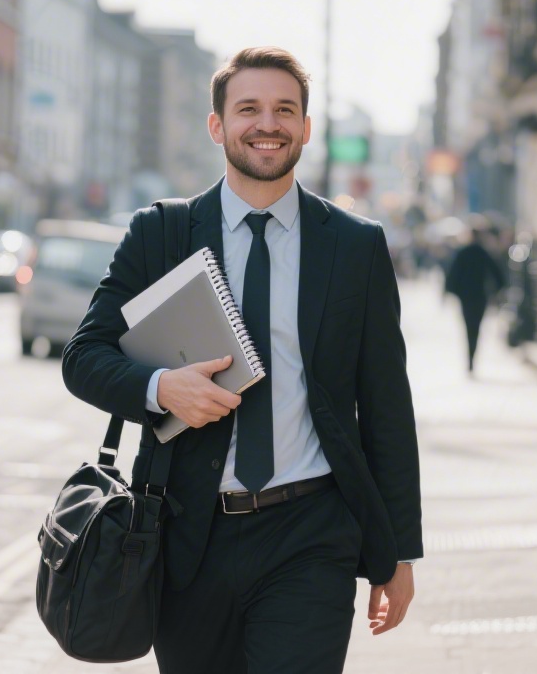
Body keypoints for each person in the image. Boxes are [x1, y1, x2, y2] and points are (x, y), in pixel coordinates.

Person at [62, 47, 421, 674]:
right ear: (217, 125)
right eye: (248, 108)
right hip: (187, 537)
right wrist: (160, 388)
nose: (268, 124)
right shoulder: (162, 233)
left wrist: (400, 553)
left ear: (307, 128)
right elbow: (83, 357)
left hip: (312, 534)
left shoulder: (355, 246)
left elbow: (387, 404)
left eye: (285, 110)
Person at [444, 221, 505, 373]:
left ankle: (470, 358)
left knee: (468, 327)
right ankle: (472, 356)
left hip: (466, 297)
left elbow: (452, 275)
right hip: (480, 296)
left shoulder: (463, 252)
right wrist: (497, 291)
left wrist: (453, 292)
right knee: (476, 327)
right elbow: (498, 275)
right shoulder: (483, 253)